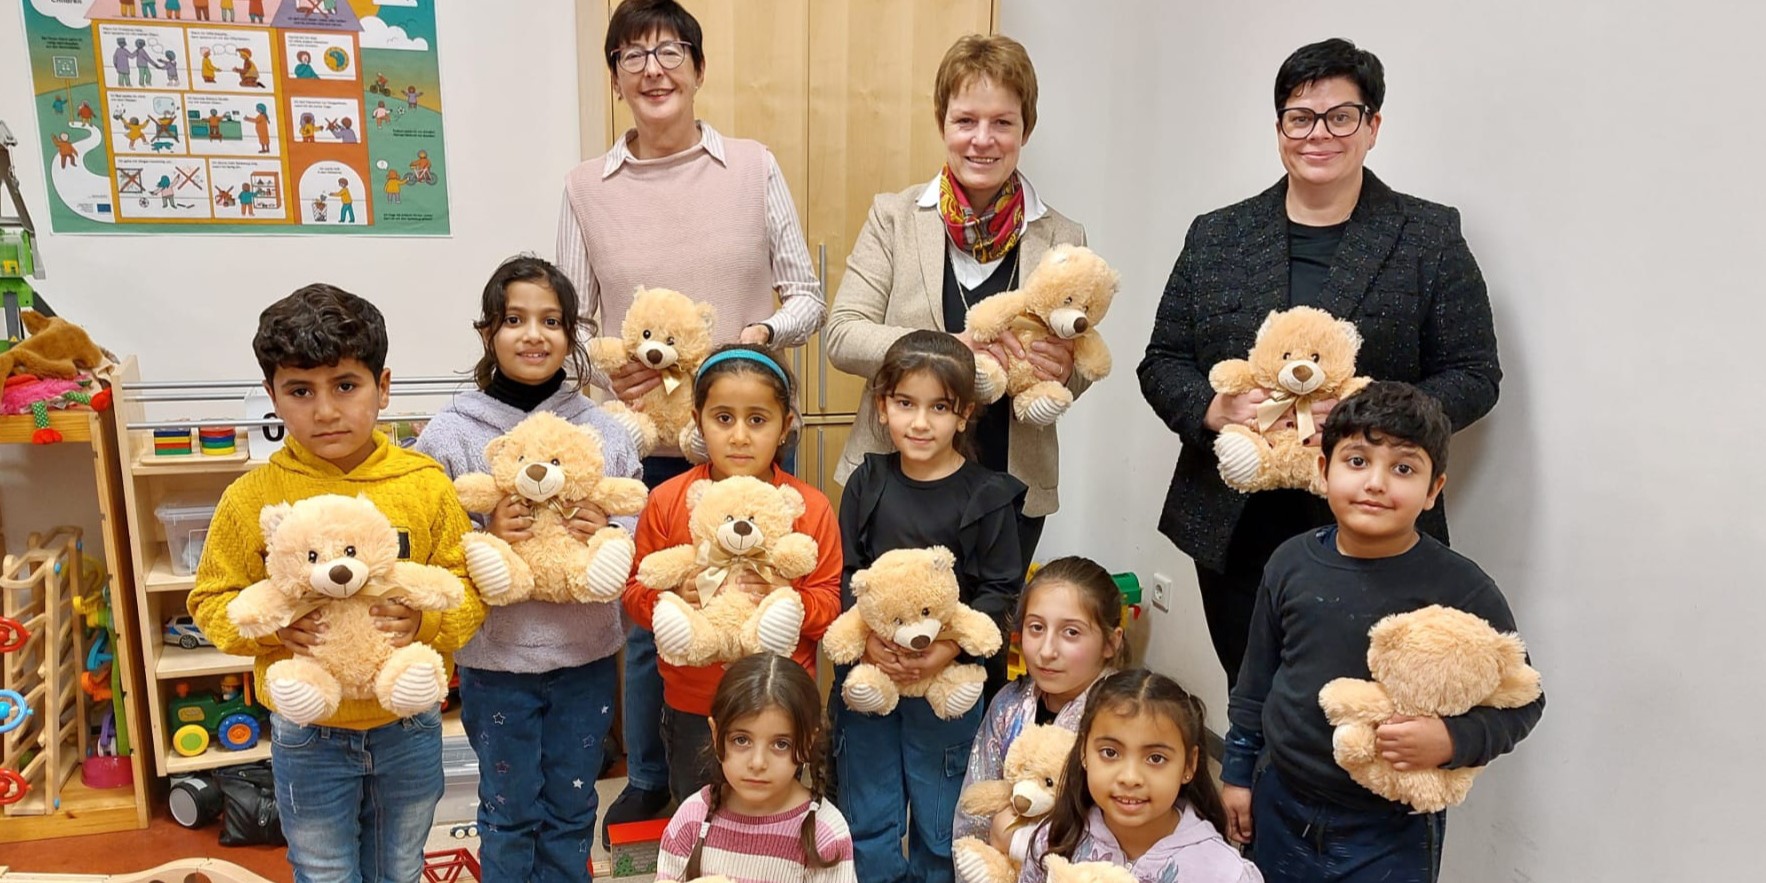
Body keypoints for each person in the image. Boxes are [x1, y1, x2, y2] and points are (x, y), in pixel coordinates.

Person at [1137, 38, 1501, 685]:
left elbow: (1474, 373)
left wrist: (1372, 418)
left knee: (1368, 695)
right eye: (1300, 117)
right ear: (1279, 128)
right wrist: (1213, 407)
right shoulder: (1218, 234)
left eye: (1341, 116)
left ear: (1372, 126)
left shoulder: (1429, 237)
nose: (1319, 134)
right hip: (1237, 517)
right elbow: (1163, 360)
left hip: (1371, 512)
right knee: (1254, 695)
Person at [556, 0, 824, 838]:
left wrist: (754, 341)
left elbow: (805, 296)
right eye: (632, 55)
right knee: (650, 618)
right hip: (645, 448)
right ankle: (652, 774)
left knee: (762, 597)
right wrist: (608, 365)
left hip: (741, 440)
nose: (653, 68)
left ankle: (771, 762)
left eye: (670, 49)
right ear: (614, 80)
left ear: (698, 68)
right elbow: (564, 328)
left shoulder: (750, 165)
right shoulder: (583, 187)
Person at [187, 284, 485, 883]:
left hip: (408, 724)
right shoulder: (253, 498)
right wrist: (275, 629)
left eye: (345, 386)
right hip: (309, 733)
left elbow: (465, 583)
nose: (325, 411)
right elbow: (211, 599)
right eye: (300, 391)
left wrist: (424, 622)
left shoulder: (423, 484)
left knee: (399, 866)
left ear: (384, 385)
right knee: (322, 869)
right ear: (272, 396)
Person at [1220, 383, 1544, 882]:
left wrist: (1452, 738)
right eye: (1356, 461)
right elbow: (1255, 682)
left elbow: (1524, 700)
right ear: (1323, 471)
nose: (1375, 483)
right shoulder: (1290, 563)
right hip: (1282, 802)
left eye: (1403, 468)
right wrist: (1237, 775)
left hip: (1394, 827)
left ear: (1434, 489)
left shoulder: (1463, 588)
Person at [413, 256, 642, 882]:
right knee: (508, 812)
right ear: (488, 332)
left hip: (586, 656)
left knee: (571, 807)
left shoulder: (602, 430)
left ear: (573, 334)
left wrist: (610, 530)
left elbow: (635, 516)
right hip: (496, 663)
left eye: (551, 320)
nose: (533, 334)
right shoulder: (451, 433)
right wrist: (483, 534)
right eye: (515, 319)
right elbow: (431, 532)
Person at [824, 35, 1086, 570]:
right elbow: (843, 335)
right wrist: (947, 350)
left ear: (1025, 128)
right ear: (943, 122)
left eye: (1002, 122)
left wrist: (1067, 368)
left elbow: (1078, 366)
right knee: (881, 636)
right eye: (966, 120)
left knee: (982, 642)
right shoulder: (894, 218)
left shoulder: (1063, 236)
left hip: (1008, 488)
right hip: (893, 480)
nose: (982, 140)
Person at [833, 330, 1024, 883]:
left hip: (950, 685)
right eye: (905, 404)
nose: (920, 422)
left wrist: (942, 652)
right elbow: (847, 575)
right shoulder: (866, 483)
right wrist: (868, 642)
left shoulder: (987, 495)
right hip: (871, 675)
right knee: (867, 807)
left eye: (938, 407)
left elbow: (999, 590)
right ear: (882, 405)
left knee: (945, 817)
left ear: (964, 414)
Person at [621, 346, 841, 803]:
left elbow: (830, 607)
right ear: (698, 419)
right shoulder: (667, 500)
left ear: (785, 426)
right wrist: (670, 596)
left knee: (780, 819)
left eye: (757, 420)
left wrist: (790, 598)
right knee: (700, 814)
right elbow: (634, 594)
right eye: (724, 418)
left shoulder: (808, 508)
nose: (740, 436)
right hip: (692, 705)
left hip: (780, 699)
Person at [1020, 670, 1260, 883]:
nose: (1130, 777)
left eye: (1156, 758)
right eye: (1110, 753)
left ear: (1188, 764)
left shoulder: (1224, 872)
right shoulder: (1055, 839)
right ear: (1084, 752)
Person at [952, 556, 1125, 849]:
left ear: (1111, 642)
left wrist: (1025, 844)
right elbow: (975, 808)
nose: (1046, 651)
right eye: (1036, 628)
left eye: (1071, 632)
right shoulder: (1009, 704)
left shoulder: (1124, 717)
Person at [656, 653, 857, 883]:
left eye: (781, 744)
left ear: (807, 743)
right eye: (741, 740)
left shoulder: (826, 833)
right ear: (715, 734)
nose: (758, 763)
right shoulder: (691, 819)